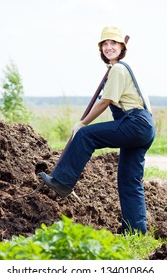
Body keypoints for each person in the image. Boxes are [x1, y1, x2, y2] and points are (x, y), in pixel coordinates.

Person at [39, 26, 156, 234]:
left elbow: (105, 102)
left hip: (135, 122)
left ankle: (62, 181)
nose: (109, 47)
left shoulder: (119, 69)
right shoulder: (119, 70)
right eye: (105, 44)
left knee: (86, 135)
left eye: (114, 43)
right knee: (129, 180)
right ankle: (136, 232)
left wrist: (83, 123)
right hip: (145, 126)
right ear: (101, 48)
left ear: (122, 47)